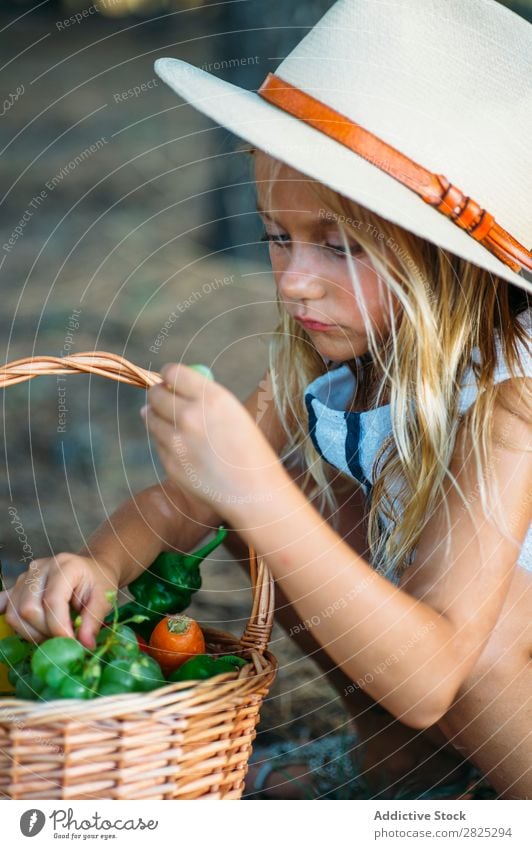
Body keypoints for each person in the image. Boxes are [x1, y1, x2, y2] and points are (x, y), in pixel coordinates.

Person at [1, 0, 531, 800]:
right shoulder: (326, 366)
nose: (293, 281)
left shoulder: (508, 400)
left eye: (339, 245)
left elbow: (434, 677)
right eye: (278, 236)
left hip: (493, 680)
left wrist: (255, 486)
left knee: (476, 636)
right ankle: (399, 776)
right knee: (283, 502)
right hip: (440, 687)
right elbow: (181, 506)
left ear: (447, 262)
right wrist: (97, 565)